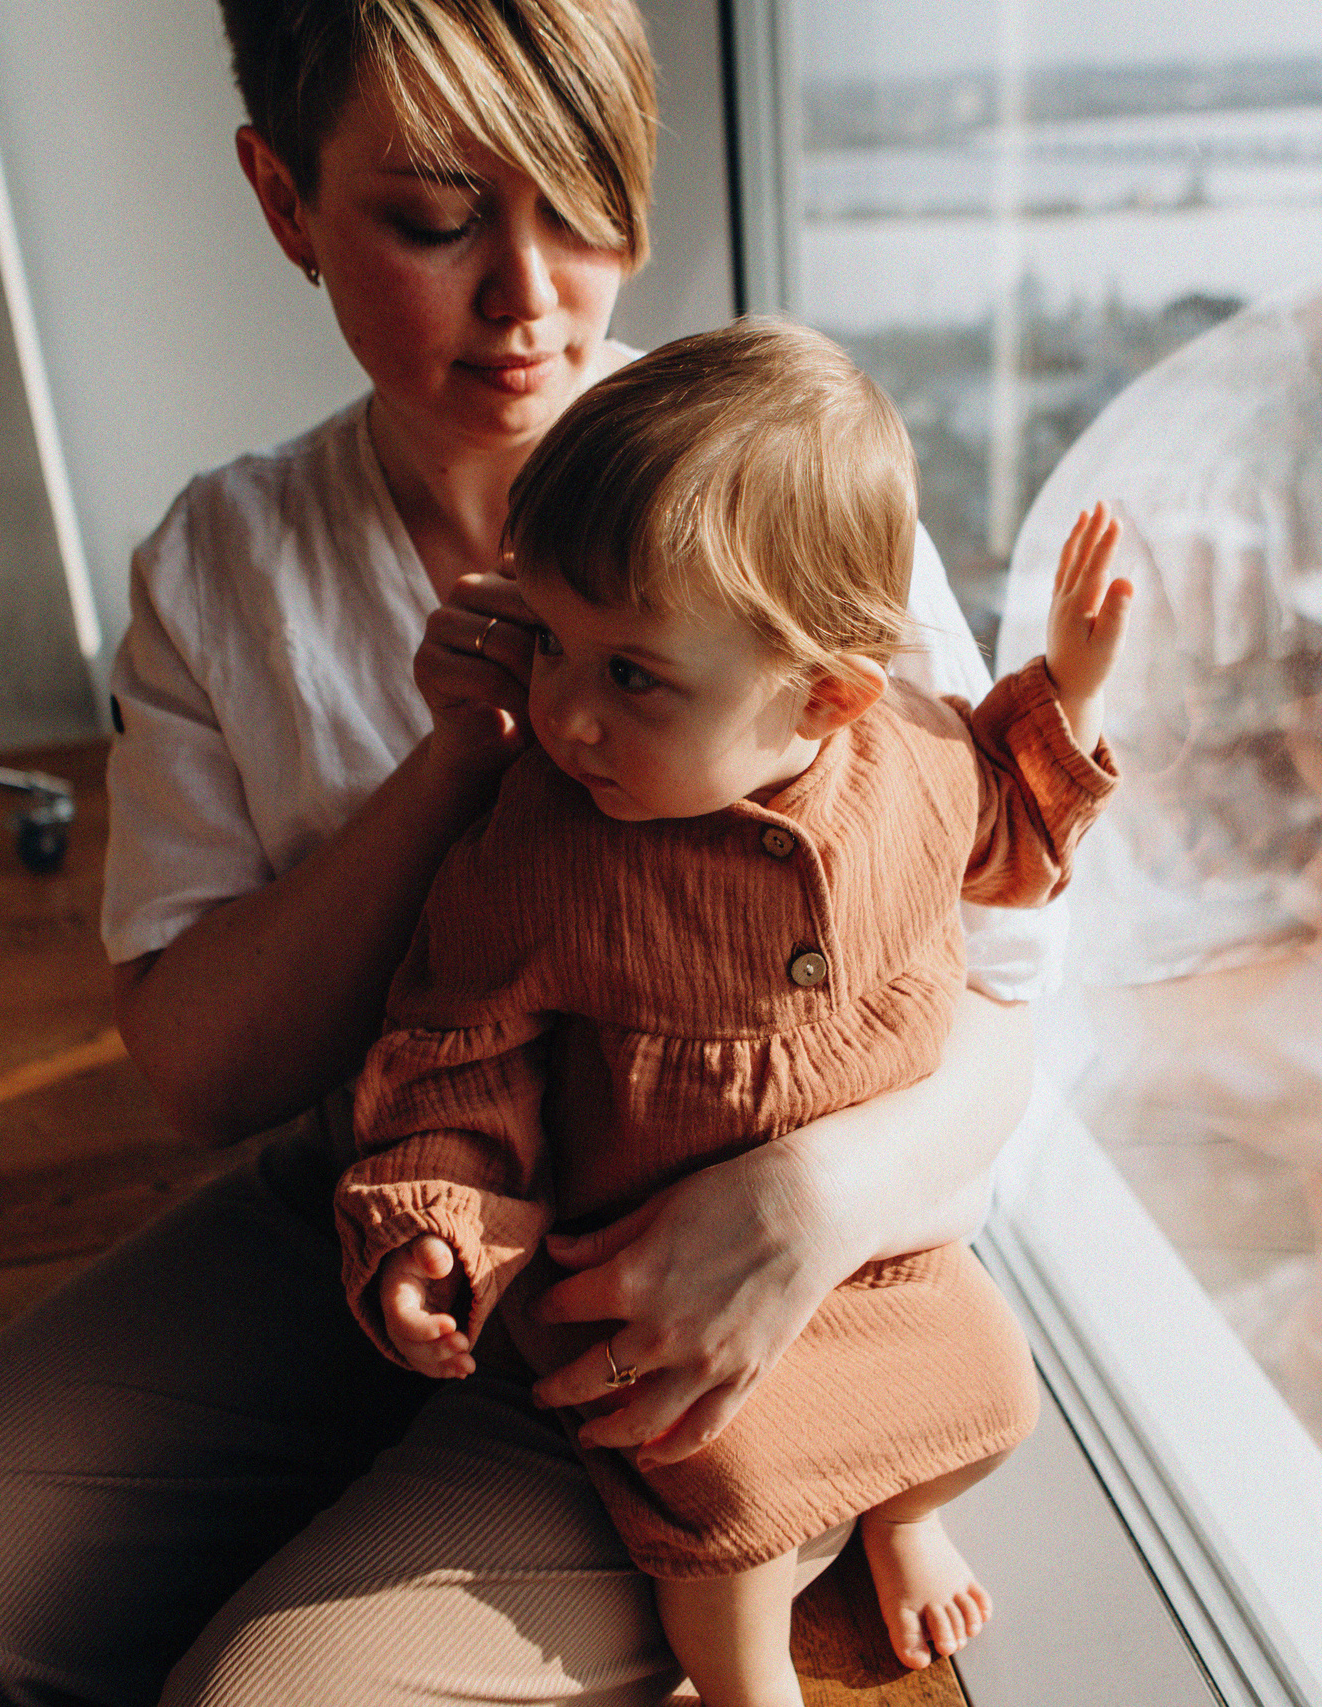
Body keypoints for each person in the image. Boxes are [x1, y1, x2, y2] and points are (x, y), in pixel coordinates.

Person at [0, 2, 1056, 1703]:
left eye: (580, 205)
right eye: (436, 221)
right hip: (380, 1190)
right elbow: (205, 1076)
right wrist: (455, 768)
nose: (528, 296)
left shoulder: (774, 492)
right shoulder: (229, 563)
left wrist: (809, 1204)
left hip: (695, 1261)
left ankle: (763, 1515)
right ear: (283, 199)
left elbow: (1006, 976)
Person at [337, 321, 1133, 1707]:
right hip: (654, 1290)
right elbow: (455, 1056)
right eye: (551, 644)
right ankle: (750, 1682)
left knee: (1000, 1397)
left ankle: (897, 1515)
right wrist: (434, 1225)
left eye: (632, 676)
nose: (565, 716)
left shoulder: (917, 756)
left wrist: (1068, 687)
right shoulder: (544, 849)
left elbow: (1010, 827)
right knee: (729, 1506)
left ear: (826, 696)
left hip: (874, 1257)